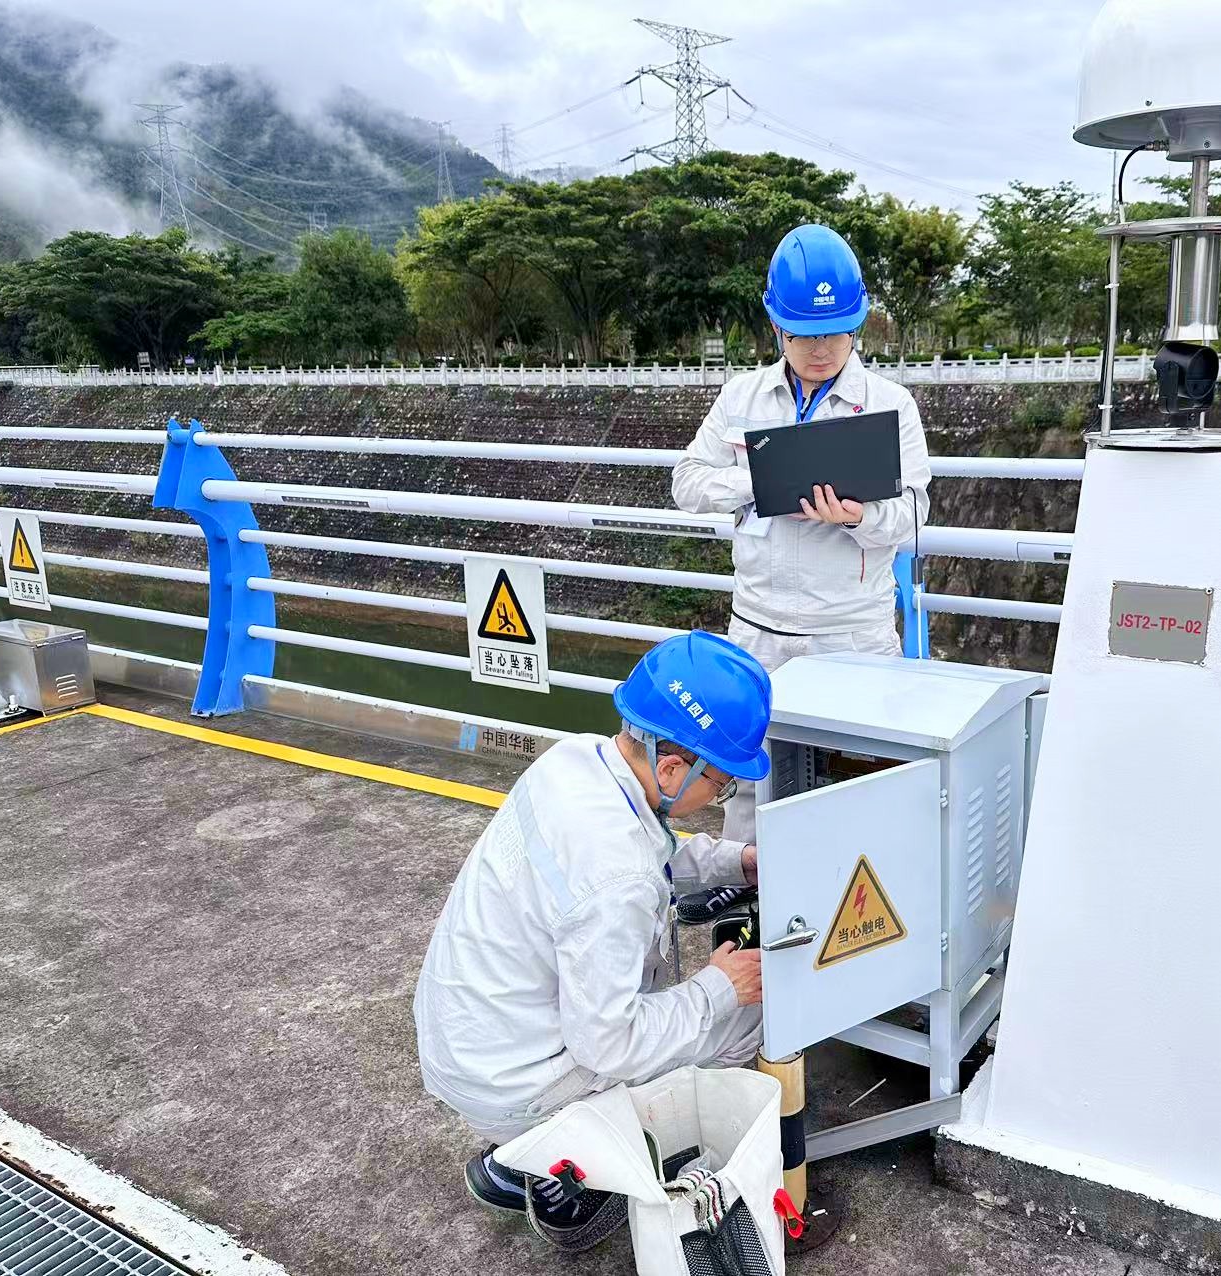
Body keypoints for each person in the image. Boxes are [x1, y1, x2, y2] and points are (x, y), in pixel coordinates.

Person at [413, 630, 772, 1250]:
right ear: (672, 768)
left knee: (685, 1006)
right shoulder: (616, 879)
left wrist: (735, 862)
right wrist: (720, 987)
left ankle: (522, 1152)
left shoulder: (576, 760)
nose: (721, 796)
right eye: (722, 784)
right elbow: (610, 1041)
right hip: (516, 1083)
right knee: (748, 1019)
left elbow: (646, 850)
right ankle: (568, 1162)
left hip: (472, 1045)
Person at [672, 223, 931, 857]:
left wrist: (856, 518)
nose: (820, 349)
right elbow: (687, 483)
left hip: (851, 632)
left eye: (835, 333)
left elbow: (914, 519)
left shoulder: (890, 405)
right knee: (749, 788)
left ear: (857, 325)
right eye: (803, 334)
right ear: (776, 326)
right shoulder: (742, 397)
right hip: (757, 629)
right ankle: (750, 901)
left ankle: (858, 910)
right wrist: (760, 480)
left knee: (860, 783)